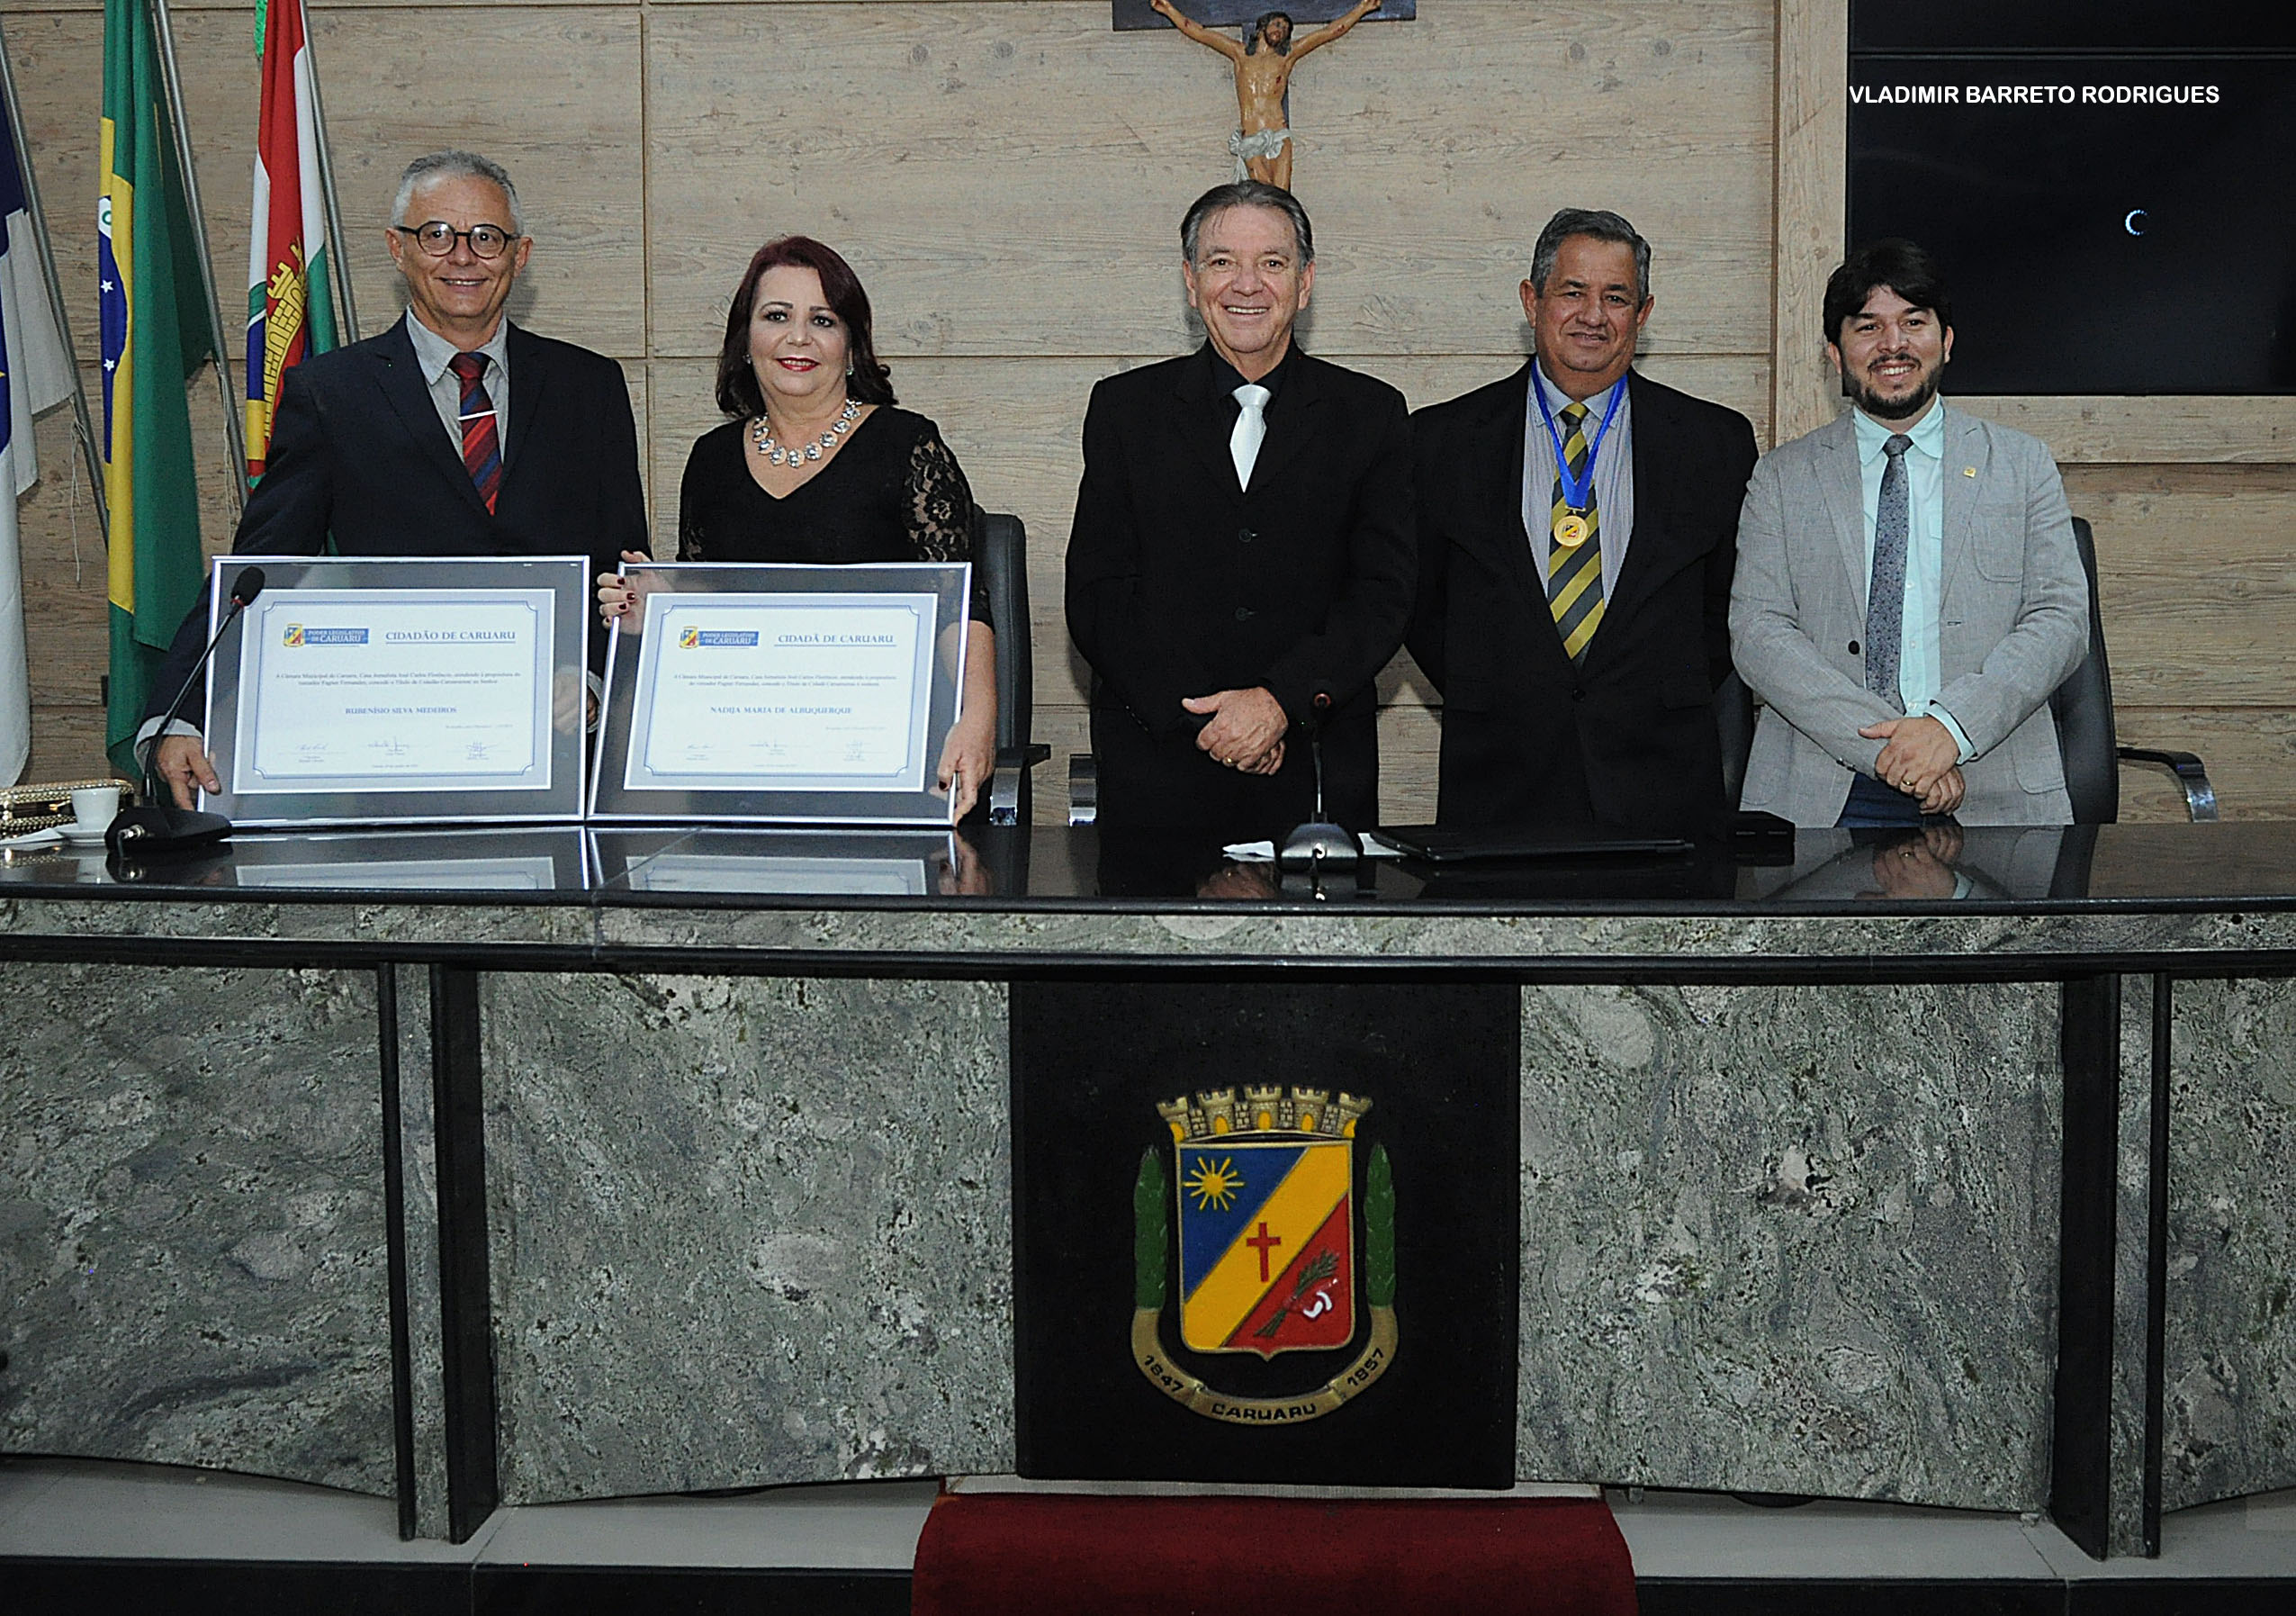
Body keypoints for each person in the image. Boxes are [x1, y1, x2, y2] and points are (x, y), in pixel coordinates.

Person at [147, 149, 647, 808]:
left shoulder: (590, 386)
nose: (462, 257)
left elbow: (622, 569)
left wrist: (589, 680)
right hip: (392, 753)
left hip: (557, 757)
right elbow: (259, 570)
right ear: (397, 248)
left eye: (486, 238)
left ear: (518, 256)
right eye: (437, 234)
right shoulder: (332, 393)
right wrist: (180, 715)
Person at [595, 236, 996, 819]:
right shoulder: (711, 460)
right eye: (776, 316)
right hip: (737, 768)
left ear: (851, 344)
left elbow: (960, 607)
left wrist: (977, 719)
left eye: (822, 320)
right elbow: (706, 612)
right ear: (746, 340)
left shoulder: (907, 445)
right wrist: (652, 614)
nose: (798, 337)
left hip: (886, 763)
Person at [1065, 180, 1413, 840]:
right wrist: (1209, 722)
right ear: (1191, 282)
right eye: (1222, 261)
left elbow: (1382, 595)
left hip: (1313, 770)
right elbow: (1098, 593)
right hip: (1159, 766)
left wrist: (1278, 703)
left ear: (1305, 283)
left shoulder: (1369, 415)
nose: (1245, 285)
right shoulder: (1124, 411)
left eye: (1272, 263)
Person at [1407, 207, 1758, 836]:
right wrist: (1504, 685)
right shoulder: (1440, 442)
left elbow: (1727, 609)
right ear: (1531, 299)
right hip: (1497, 788)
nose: (1592, 315)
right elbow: (1419, 605)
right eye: (1572, 292)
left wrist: (1643, 695)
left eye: (1615, 297)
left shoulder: (1714, 444)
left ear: (1642, 314)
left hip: (1662, 793)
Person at [1729, 239, 2088, 827]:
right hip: (1824, 791)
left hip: (1992, 785)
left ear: (1945, 340)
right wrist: (1895, 752)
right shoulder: (1780, 478)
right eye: (1867, 326)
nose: (1891, 344)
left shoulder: (2021, 466)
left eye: (1912, 323)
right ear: (1833, 352)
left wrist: (1950, 730)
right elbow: (1757, 633)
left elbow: (2060, 618)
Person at [1148, 1, 1382, 190]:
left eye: (1285, 28)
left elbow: (1329, 32)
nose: (1280, 29)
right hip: (1251, 139)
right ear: (1262, 27)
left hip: (1279, 136)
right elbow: (1198, 31)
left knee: (1282, 201)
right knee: (1262, 199)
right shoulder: (1240, 54)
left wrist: (1362, 8)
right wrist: (1169, 9)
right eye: (1276, 24)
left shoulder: (1286, 58)